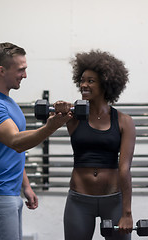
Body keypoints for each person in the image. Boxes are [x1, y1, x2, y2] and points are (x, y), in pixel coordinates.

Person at [0, 42, 72, 240]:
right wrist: (50, 127)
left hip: (8, 190)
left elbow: (12, 151)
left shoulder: (7, 102)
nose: (25, 75)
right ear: (2, 70)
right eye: (21, 70)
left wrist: (25, 185)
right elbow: (15, 141)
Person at [56, 50, 136, 240]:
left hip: (113, 200)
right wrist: (58, 111)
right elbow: (48, 127)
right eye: (82, 80)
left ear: (106, 84)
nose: (84, 85)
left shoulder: (124, 121)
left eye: (90, 81)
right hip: (79, 200)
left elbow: (124, 169)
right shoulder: (72, 117)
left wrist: (127, 213)